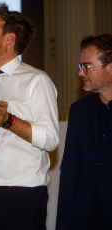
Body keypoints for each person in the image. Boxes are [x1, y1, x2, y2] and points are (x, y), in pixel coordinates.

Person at [0, 3, 60, 230]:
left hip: (24, 195)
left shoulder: (37, 81)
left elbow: (51, 139)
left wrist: (9, 121)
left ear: (9, 39)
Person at [56, 34, 112, 230]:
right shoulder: (79, 110)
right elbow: (70, 172)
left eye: (86, 66)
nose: (80, 73)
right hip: (85, 219)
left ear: (110, 67)